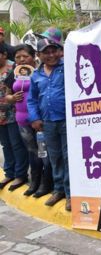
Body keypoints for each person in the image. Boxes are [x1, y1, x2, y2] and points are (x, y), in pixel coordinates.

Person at [27, 38, 70, 211]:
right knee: (55, 157)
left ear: (59, 51)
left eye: (54, 51)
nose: (51, 55)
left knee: (68, 158)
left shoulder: (67, 68)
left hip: (67, 120)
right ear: (39, 55)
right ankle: (58, 189)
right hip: (47, 123)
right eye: (46, 52)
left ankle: (70, 194)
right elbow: (31, 100)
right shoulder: (36, 75)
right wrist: (35, 118)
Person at [5, 44, 53, 198]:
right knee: (32, 152)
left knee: (45, 152)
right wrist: (11, 98)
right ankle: (35, 181)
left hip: (40, 121)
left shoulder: (41, 72)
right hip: (22, 120)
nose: (21, 59)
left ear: (34, 56)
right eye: (18, 57)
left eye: (25, 56)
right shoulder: (14, 73)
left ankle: (47, 183)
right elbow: (7, 94)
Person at [0, 43, 28, 192]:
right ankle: (9, 173)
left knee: (17, 144)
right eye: (19, 57)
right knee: (6, 145)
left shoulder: (15, 68)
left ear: (4, 54)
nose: (21, 59)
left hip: (14, 113)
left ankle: (20, 174)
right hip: (0, 115)